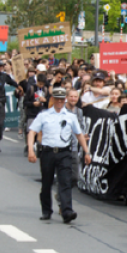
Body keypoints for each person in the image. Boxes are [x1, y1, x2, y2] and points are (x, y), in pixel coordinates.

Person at [27, 86, 90, 223]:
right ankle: (46, 210)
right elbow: (32, 131)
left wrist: (86, 152)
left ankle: (67, 211)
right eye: (57, 99)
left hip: (64, 153)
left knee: (65, 182)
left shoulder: (70, 116)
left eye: (62, 99)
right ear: (53, 99)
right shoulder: (44, 115)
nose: (60, 102)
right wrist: (31, 150)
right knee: (47, 183)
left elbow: (79, 135)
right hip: (48, 152)